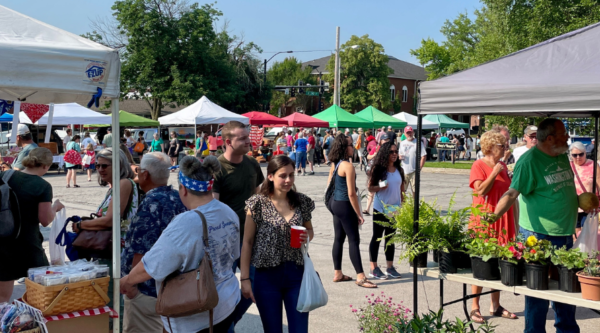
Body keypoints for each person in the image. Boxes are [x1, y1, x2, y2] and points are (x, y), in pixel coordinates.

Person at [121, 156, 240, 333]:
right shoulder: (228, 212)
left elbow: (153, 264)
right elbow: (234, 255)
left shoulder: (188, 221)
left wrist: (127, 281)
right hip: (227, 301)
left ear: (183, 189)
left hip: (197, 312)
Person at [492, 118, 578, 333]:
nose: (567, 137)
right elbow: (512, 193)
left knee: (566, 292)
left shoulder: (561, 154)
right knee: (538, 294)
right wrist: (493, 216)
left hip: (565, 232)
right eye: (563, 134)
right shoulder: (529, 162)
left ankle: (567, 330)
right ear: (549, 138)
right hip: (538, 235)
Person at [241, 155, 315, 333]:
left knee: (299, 329)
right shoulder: (257, 203)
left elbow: (310, 230)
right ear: (271, 176)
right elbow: (247, 242)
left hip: (296, 273)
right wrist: (245, 279)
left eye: (291, 175)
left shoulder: (301, 201)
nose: (288, 180)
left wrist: (307, 235)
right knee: (272, 329)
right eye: (283, 175)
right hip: (266, 276)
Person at [121, 152, 187, 333]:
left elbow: (142, 249)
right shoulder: (178, 197)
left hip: (147, 290)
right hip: (172, 287)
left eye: (139, 170)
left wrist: (132, 286)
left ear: (145, 174)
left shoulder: (152, 202)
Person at [211, 121, 264, 333]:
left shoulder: (252, 164)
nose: (247, 141)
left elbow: (260, 194)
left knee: (256, 287)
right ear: (227, 142)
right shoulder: (216, 167)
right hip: (225, 243)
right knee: (223, 292)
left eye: (247, 137)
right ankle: (226, 326)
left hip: (251, 239)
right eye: (242, 138)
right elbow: (212, 206)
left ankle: (228, 322)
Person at [0, 148, 65, 302]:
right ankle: (33, 322)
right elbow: (45, 219)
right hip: (28, 242)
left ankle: (4, 322)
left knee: (2, 297)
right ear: (45, 166)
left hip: (3, 239)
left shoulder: (5, 175)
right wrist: (55, 207)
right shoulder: (42, 185)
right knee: (42, 290)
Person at [468, 130, 517, 324]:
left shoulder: (503, 166)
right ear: (489, 147)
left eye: (505, 146)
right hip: (485, 217)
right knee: (481, 261)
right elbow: (479, 190)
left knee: (499, 261)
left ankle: (495, 305)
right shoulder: (478, 165)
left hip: (502, 217)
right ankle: (475, 307)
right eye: (501, 146)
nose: (505, 149)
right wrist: (495, 172)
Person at [328, 134, 376, 288]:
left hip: (335, 204)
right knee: (354, 240)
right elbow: (351, 193)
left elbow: (330, 183)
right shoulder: (348, 166)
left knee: (338, 239)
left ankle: (338, 273)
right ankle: (360, 276)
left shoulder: (335, 164)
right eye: (350, 144)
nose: (353, 146)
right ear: (344, 147)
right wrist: (359, 214)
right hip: (344, 204)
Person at [367, 142, 404, 280]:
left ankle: (390, 267)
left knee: (390, 239)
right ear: (385, 153)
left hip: (394, 209)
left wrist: (403, 204)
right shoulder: (379, 169)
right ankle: (373, 268)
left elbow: (402, 189)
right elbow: (371, 188)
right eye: (391, 152)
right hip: (381, 208)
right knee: (377, 237)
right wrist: (380, 187)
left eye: (396, 152)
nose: (394, 154)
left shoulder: (399, 170)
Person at [568, 141, 600, 234]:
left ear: (585, 153)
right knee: (576, 235)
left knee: (587, 234)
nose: (578, 157)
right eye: (574, 155)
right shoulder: (568, 166)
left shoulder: (593, 165)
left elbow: (599, 181)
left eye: (581, 154)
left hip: (589, 206)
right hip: (573, 206)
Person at [363, 134, 391, 216]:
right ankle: (367, 208)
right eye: (384, 140)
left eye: (387, 140)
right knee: (371, 189)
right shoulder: (376, 148)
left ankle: (383, 208)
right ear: (381, 141)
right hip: (375, 172)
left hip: (385, 173)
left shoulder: (391, 149)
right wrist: (374, 155)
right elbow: (368, 156)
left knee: (384, 188)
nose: (386, 141)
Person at [399, 126, 426, 194]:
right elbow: (399, 154)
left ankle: (414, 204)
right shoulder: (402, 143)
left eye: (410, 132)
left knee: (415, 191)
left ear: (413, 132)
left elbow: (424, 155)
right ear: (404, 134)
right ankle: (403, 204)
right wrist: (399, 156)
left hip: (414, 171)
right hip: (404, 170)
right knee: (402, 191)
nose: (409, 134)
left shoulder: (418, 143)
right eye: (407, 133)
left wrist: (419, 168)